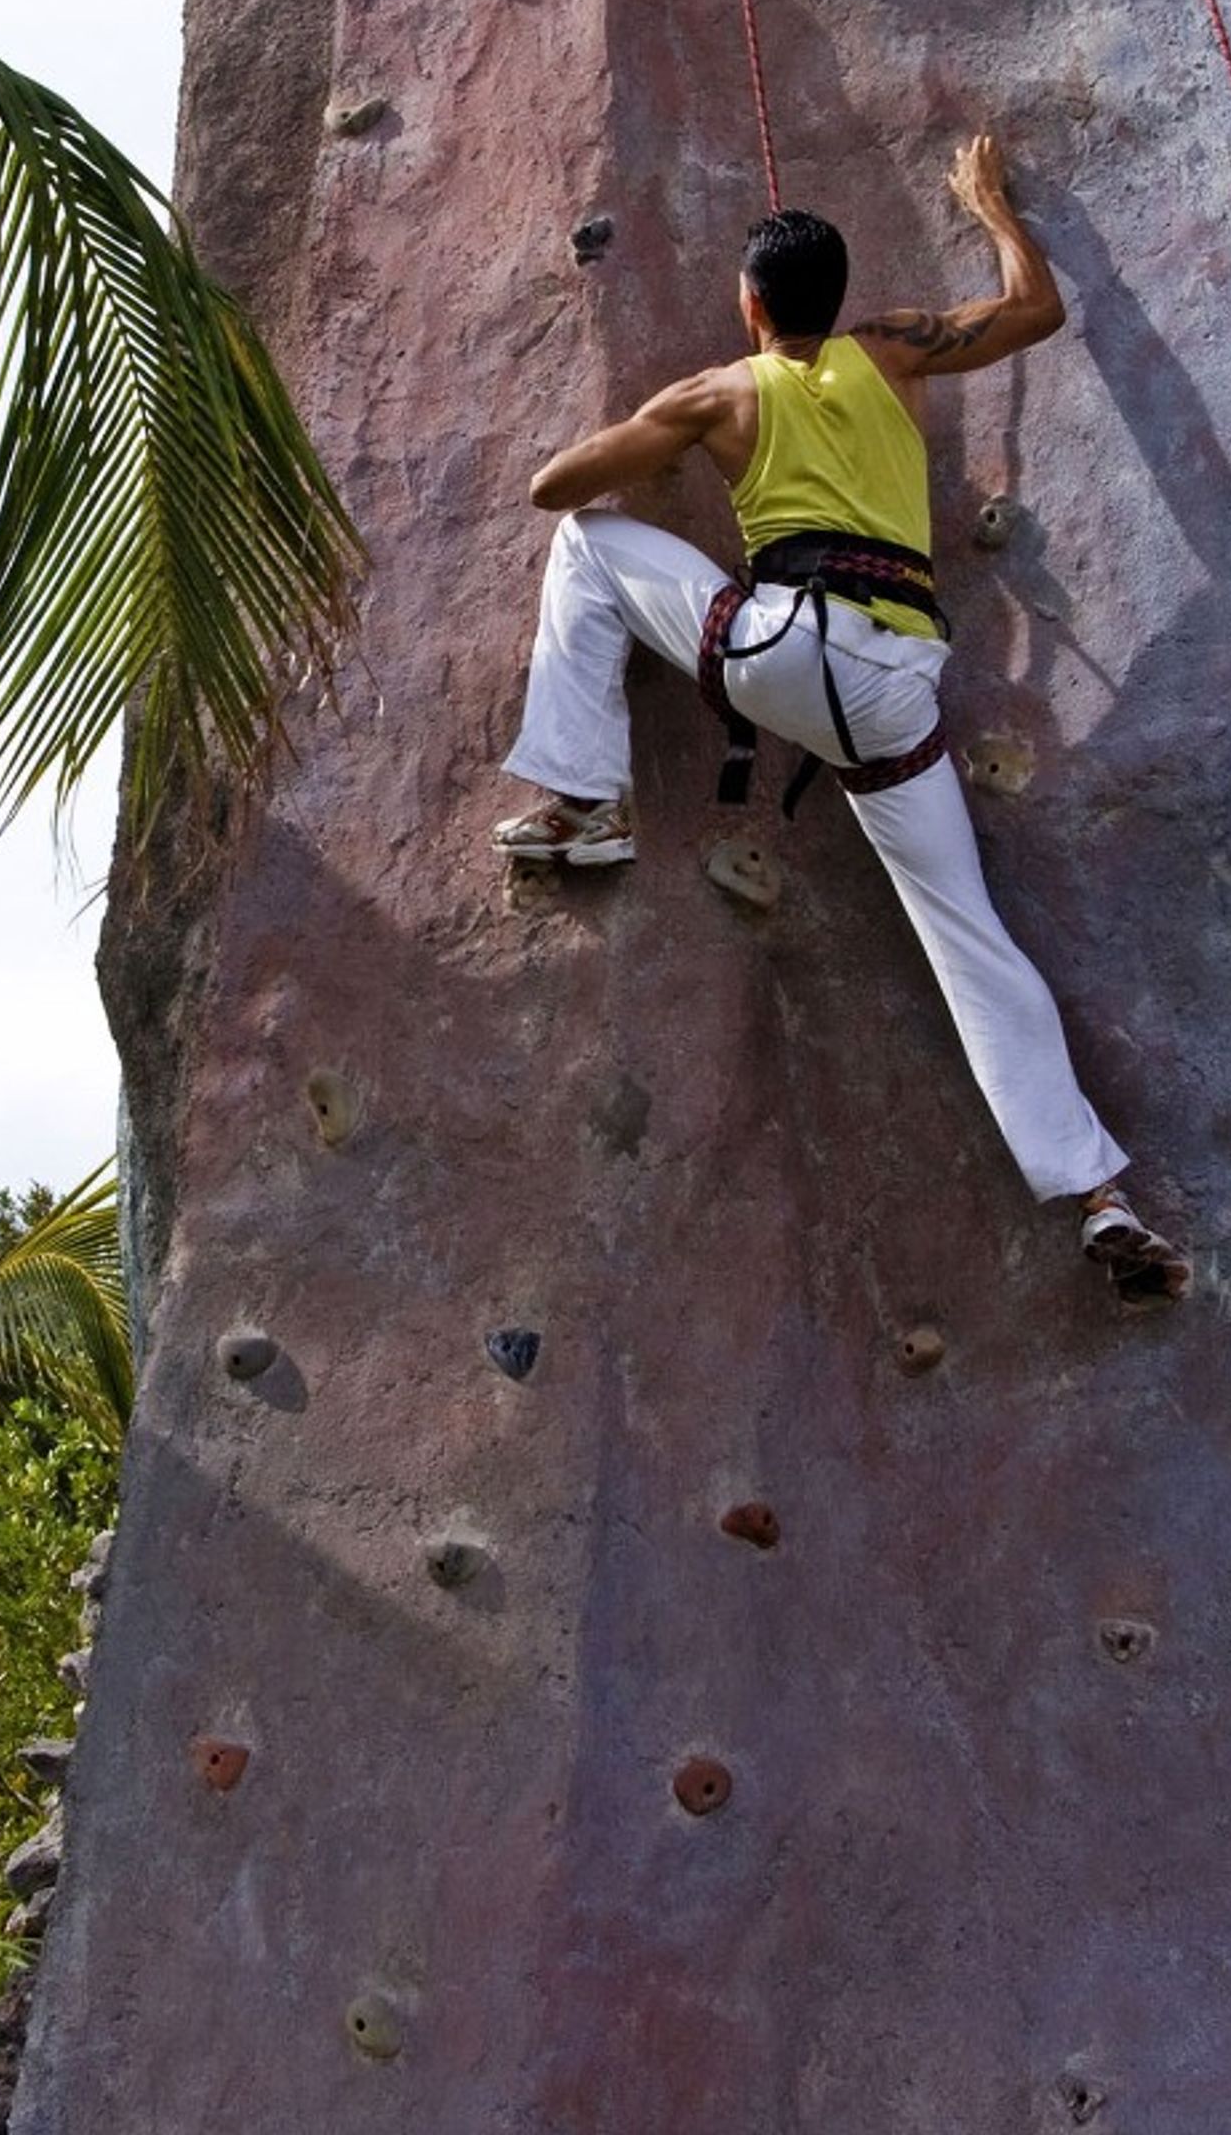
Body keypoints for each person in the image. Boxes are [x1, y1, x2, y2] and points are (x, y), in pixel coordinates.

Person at [493, 132, 1185, 1303]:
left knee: (588, 548)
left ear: (750, 302)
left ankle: (587, 802)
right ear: (840, 297)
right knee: (970, 936)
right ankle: (1100, 1196)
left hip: (783, 651)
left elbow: (552, 487)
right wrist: (991, 206)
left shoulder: (719, 392)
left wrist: (668, 438)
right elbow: (1034, 311)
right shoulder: (899, 349)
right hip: (898, 699)